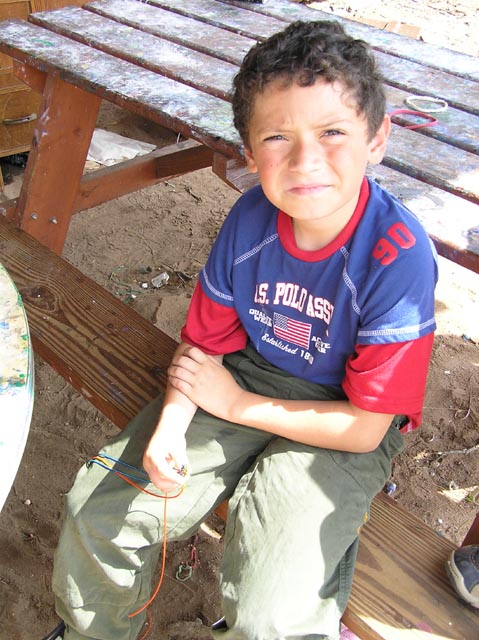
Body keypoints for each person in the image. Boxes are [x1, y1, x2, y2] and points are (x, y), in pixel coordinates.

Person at [45, 19, 438, 640]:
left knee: (270, 608)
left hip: (342, 418)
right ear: (250, 155)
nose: (306, 160)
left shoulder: (398, 254)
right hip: (248, 372)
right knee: (100, 514)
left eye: (333, 131)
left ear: (378, 137)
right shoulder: (250, 220)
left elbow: (366, 429)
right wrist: (173, 423)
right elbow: (203, 344)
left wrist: (235, 405)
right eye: (278, 137)